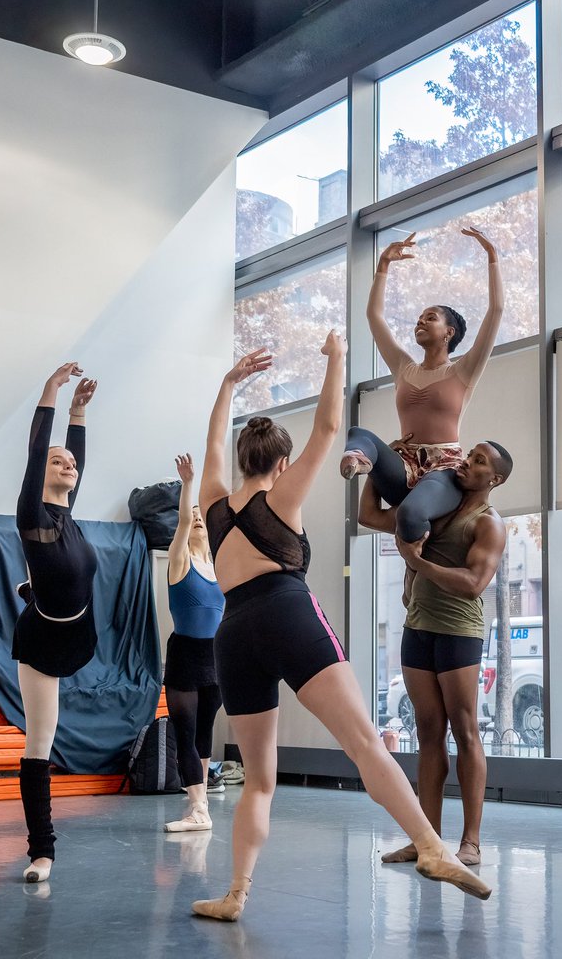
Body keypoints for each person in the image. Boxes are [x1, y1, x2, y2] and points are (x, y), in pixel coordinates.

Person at [192, 337, 490, 922]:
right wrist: (335, 358)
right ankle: (432, 847)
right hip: (286, 613)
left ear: (242, 460)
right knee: (363, 743)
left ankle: (235, 895)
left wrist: (227, 386)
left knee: (258, 779)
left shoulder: (215, 506)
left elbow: (211, 447)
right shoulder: (282, 497)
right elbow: (329, 428)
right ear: (281, 464)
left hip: (232, 633)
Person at [359, 441, 512, 867]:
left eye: (479, 461)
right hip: (418, 629)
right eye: (470, 454)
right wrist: (375, 465)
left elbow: (474, 584)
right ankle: (425, 840)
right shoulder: (435, 506)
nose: (467, 462)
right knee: (428, 734)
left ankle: (471, 842)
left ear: (495, 479)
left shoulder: (489, 523)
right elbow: (368, 515)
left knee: (465, 731)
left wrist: (417, 563)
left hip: (458, 632)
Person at [342, 228, 503, 545]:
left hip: (443, 471)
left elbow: (496, 311)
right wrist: (383, 266)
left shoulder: (463, 370)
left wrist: (492, 257)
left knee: (409, 513)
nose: (420, 322)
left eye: (430, 318)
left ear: (449, 333)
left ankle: (417, 556)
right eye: (419, 318)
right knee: (359, 434)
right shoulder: (404, 368)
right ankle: (357, 460)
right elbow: (374, 317)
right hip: (404, 465)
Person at [13, 362, 98, 883]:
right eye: (56, 460)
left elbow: (74, 454)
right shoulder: (34, 518)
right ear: (38, 472)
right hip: (43, 641)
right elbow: (36, 451)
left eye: (71, 462)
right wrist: (51, 391)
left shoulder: (68, 515)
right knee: (39, 742)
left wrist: (79, 412)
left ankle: (28, 589)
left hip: (80, 632)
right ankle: (41, 852)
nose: (68, 463)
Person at [162, 453, 225, 832]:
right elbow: (185, 519)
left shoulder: (221, 568)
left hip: (215, 657)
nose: (198, 519)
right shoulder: (179, 560)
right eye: (195, 515)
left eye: (204, 517)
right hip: (185, 654)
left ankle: (200, 807)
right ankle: (198, 807)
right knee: (184, 733)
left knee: (204, 733)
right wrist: (188, 484)